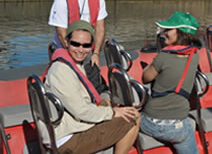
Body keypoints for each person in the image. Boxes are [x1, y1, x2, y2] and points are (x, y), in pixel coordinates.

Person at [44, 20, 140, 154]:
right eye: (75, 44)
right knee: (133, 117)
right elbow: (82, 112)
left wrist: (105, 106)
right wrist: (112, 113)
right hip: (67, 139)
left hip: (70, 129)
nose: (80, 49)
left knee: (110, 105)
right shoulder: (61, 71)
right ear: (66, 42)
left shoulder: (72, 63)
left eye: (86, 45)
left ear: (91, 46)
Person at [140, 11, 202, 154]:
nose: (164, 32)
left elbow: (145, 78)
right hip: (178, 126)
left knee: (135, 116)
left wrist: (155, 62)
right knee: (185, 129)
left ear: (180, 33)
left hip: (152, 122)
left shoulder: (163, 57)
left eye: (168, 30)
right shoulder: (195, 56)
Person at [48, 0, 107, 68]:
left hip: (86, 48)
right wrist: (72, 55)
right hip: (65, 48)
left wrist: (96, 54)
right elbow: (61, 32)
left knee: (92, 79)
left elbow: (100, 29)